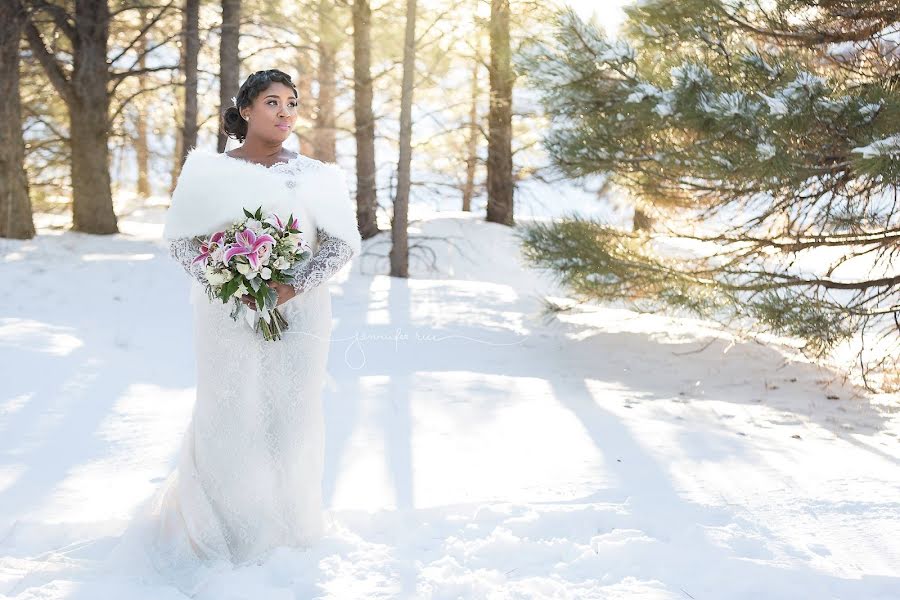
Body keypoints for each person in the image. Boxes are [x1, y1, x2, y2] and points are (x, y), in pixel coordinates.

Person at [109, 69, 362, 592]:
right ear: (245, 109)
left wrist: (289, 289)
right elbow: (182, 242)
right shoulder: (208, 172)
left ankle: (291, 530)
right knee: (231, 413)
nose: (286, 112)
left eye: (292, 103)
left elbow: (339, 244)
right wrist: (231, 281)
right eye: (273, 102)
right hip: (224, 314)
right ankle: (229, 532)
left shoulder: (317, 174)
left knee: (292, 417)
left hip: (302, 313)